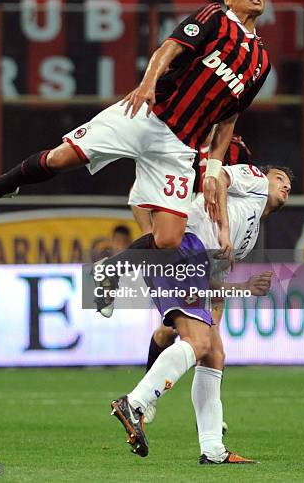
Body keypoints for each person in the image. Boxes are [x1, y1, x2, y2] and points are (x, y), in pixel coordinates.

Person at [0, 0, 270, 307]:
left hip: (179, 147)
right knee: (62, 157)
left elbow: (228, 118)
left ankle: (109, 269)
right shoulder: (214, 17)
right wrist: (149, 82)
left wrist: (211, 171)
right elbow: (169, 48)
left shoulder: (261, 63)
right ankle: (0, 185)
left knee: (168, 239)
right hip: (145, 114)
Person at [110, 163, 293, 463]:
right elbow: (218, 175)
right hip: (185, 242)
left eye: (289, 184)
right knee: (198, 342)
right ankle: (136, 403)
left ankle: (213, 449)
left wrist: (243, 286)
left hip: (191, 260)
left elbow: (213, 278)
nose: (285, 185)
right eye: (280, 178)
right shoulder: (255, 180)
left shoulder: (249, 233)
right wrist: (223, 230)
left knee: (213, 352)